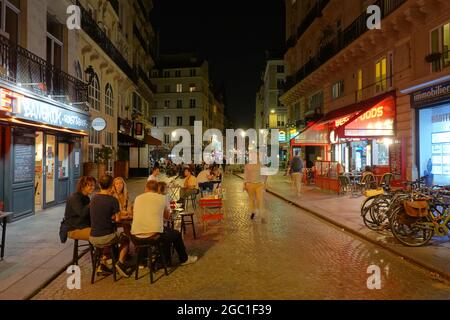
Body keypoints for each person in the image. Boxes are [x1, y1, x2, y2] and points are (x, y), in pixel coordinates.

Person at [131, 180, 198, 266]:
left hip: (136, 236)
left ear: (146, 188)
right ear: (156, 189)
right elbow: (167, 217)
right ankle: (184, 259)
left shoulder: (138, 198)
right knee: (176, 234)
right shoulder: (162, 198)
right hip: (153, 235)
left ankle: (142, 262)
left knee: (152, 230)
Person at [89, 175, 131, 278]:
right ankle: (120, 263)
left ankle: (103, 263)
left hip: (92, 238)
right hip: (106, 237)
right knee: (126, 238)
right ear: (111, 185)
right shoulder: (112, 200)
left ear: (99, 185)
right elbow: (117, 219)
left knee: (110, 234)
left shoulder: (93, 198)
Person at [61, 176, 96, 241]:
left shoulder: (86, 197)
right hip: (73, 228)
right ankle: (99, 250)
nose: (93, 188)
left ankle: (101, 250)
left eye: (93, 185)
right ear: (82, 186)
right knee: (99, 234)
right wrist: (92, 202)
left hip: (83, 225)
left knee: (105, 230)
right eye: (90, 185)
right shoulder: (75, 198)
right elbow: (83, 213)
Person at [243, 156, 267, 223]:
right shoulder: (250, 165)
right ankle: (256, 213)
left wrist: (245, 184)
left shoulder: (249, 165)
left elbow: (245, 176)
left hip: (255, 185)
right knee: (256, 200)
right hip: (254, 185)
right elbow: (245, 175)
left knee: (256, 200)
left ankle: (258, 213)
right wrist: (264, 182)